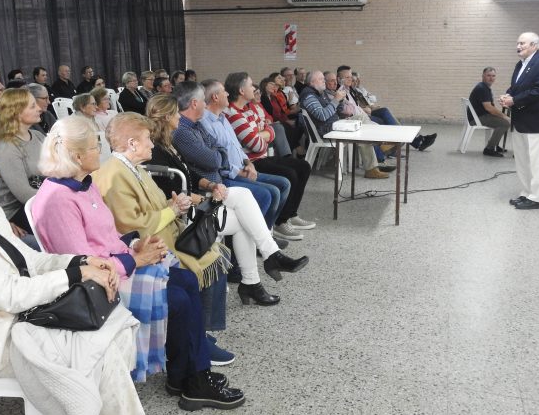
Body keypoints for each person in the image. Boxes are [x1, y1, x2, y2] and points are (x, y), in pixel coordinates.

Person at [0, 138, 144, 415]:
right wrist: (77, 274)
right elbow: (9, 295)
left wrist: (81, 261)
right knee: (101, 349)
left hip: (22, 315)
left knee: (110, 333)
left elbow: (30, 261)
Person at [93, 113, 246, 411]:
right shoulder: (113, 176)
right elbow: (132, 227)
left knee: (199, 270)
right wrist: (172, 210)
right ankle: (194, 372)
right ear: (132, 143)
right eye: (147, 139)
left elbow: (151, 208)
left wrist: (175, 204)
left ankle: (185, 371)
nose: (153, 144)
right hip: (145, 249)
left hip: (159, 240)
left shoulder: (132, 168)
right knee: (189, 282)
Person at [31, 116, 170, 382]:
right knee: (179, 292)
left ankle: (190, 364)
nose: (101, 151)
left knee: (183, 280)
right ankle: (188, 372)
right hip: (96, 283)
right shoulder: (58, 200)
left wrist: (134, 244)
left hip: (115, 262)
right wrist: (135, 261)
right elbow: (84, 263)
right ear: (77, 156)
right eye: (96, 147)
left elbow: (107, 233)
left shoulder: (85, 183)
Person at [147, 94, 307, 305]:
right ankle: (261, 269)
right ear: (167, 117)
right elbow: (170, 192)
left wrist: (211, 186)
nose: (179, 115)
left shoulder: (169, 144)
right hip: (184, 212)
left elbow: (189, 173)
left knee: (243, 205)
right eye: (176, 112)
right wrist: (205, 196)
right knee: (243, 209)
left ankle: (259, 272)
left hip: (195, 201)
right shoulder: (156, 151)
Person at [223, 73, 316, 235]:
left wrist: (263, 134)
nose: (254, 88)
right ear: (241, 91)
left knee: (303, 166)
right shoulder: (234, 114)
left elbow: (269, 129)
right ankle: (280, 222)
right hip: (251, 161)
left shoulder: (248, 109)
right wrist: (264, 135)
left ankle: (291, 214)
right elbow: (257, 144)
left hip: (261, 156)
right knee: (290, 174)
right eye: (251, 85)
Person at [499, 32, 539, 210]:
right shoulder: (520, 64)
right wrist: (508, 95)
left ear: (534, 45)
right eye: (518, 43)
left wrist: (514, 100)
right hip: (520, 120)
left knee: (535, 162)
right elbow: (516, 87)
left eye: (522, 43)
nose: (518, 46)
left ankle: (536, 198)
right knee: (522, 161)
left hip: (535, 121)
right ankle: (526, 193)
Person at [301, 71, 389, 179]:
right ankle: (374, 160)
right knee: (361, 128)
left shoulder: (320, 93)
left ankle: (380, 147)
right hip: (327, 130)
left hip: (334, 124)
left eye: (323, 78)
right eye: (321, 79)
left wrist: (340, 101)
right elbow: (323, 116)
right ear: (312, 82)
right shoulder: (309, 96)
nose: (324, 81)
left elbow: (337, 111)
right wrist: (335, 100)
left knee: (360, 118)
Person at [0, 88, 45, 242]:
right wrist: (62, 197)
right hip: (15, 212)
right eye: (32, 106)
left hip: (40, 200)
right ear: (17, 113)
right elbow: (25, 195)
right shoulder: (5, 148)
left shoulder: (38, 136)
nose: (39, 108)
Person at [468, 67, 511, 157]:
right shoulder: (482, 89)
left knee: (502, 120)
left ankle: (494, 145)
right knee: (505, 123)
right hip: (477, 118)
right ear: (483, 76)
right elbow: (489, 108)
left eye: (493, 76)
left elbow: (490, 107)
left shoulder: (484, 87)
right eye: (488, 75)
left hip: (478, 115)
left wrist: (501, 115)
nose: (491, 78)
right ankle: (489, 149)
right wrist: (504, 116)